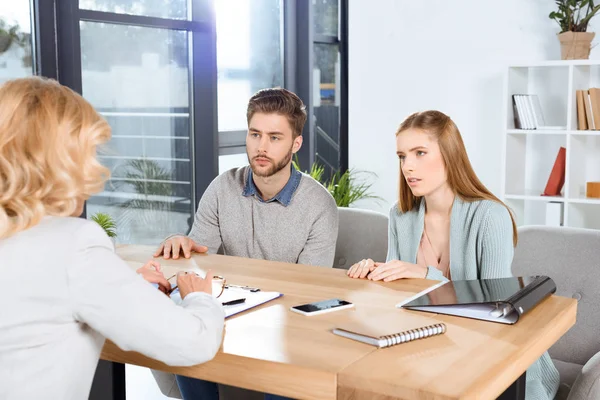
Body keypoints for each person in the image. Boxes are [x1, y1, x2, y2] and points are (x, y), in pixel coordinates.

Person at [0, 77, 225, 400]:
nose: (93, 166)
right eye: (88, 152)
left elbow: (42, 305)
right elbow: (195, 342)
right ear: (61, 161)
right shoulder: (74, 244)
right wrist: (201, 298)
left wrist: (128, 284)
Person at [346, 110, 559, 400]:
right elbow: (399, 294)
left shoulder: (490, 217)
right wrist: (375, 274)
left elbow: (497, 309)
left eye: (420, 153)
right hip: (432, 347)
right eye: (402, 156)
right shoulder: (401, 216)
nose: (408, 166)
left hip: (500, 357)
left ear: (449, 154)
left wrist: (425, 275)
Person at [153, 88, 338, 400]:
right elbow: (197, 267)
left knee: (290, 370)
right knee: (184, 328)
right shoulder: (222, 187)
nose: (261, 147)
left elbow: (308, 291)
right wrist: (180, 245)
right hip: (233, 318)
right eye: (255, 134)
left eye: (275, 137)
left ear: (296, 144)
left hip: (289, 328)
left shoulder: (319, 205)